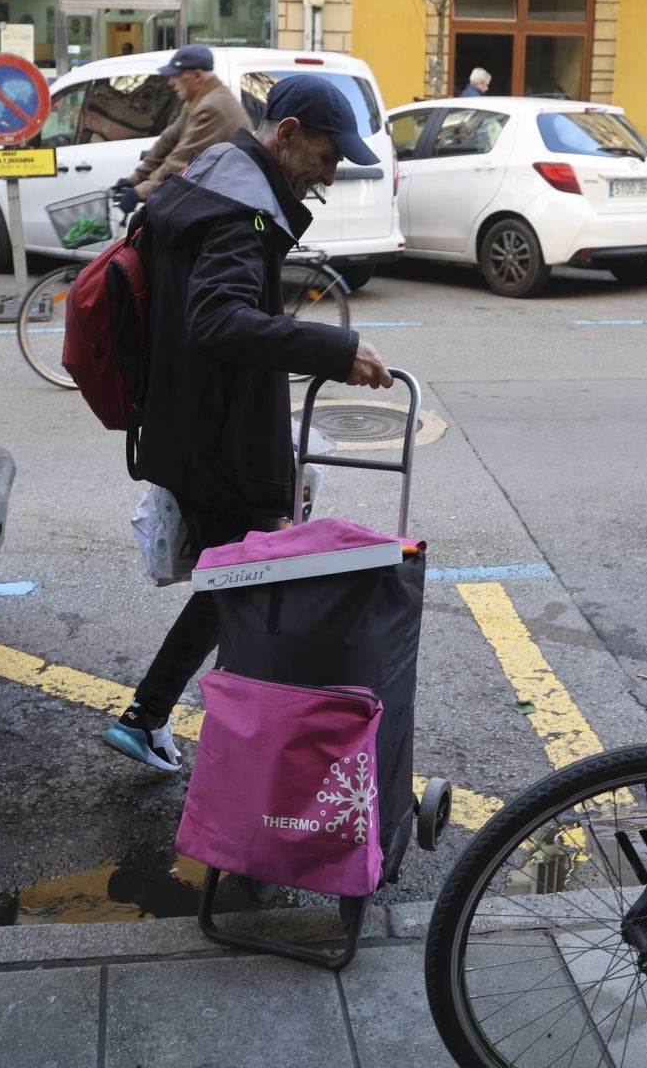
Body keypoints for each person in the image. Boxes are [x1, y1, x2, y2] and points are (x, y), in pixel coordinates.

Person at [102, 76, 395, 772]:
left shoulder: (216, 177)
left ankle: (162, 723)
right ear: (286, 133)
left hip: (191, 426)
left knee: (238, 585)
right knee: (250, 587)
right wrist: (337, 348)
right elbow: (218, 320)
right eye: (326, 158)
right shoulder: (242, 209)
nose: (329, 176)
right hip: (219, 443)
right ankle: (238, 761)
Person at [113, 44, 248, 215]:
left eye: (176, 76)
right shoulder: (199, 100)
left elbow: (181, 161)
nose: (171, 82)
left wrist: (140, 192)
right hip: (212, 195)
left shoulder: (213, 107)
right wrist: (134, 179)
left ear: (197, 76)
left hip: (226, 202)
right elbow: (168, 139)